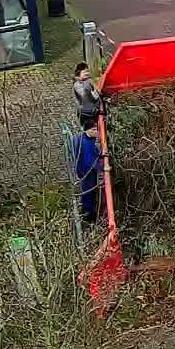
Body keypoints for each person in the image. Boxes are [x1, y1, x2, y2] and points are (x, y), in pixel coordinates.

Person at [72, 65, 105, 227]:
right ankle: (89, 217)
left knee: (88, 193)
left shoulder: (80, 139)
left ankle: (89, 214)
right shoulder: (87, 144)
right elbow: (93, 161)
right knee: (89, 193)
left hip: (83, 171)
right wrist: (103, 166)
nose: (97, 132)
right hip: (86, 173)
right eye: (95, 130)